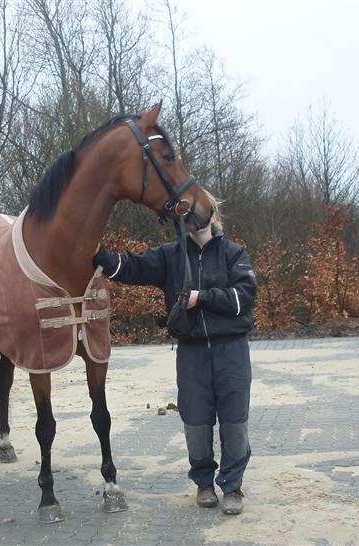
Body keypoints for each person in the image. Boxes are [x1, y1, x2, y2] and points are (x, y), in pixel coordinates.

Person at [92, 196, 256, 515]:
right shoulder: (170, 255)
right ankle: (204, 484)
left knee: (235, 423)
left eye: (198, 208)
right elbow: (129, 265)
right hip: (191, 353)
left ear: (212, 214)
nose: (192, 214)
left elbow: (244, 297)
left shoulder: (233, 253)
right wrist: (96, 253)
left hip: (232, 351)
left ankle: (233, 486)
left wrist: (202, 297)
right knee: (195, 422)